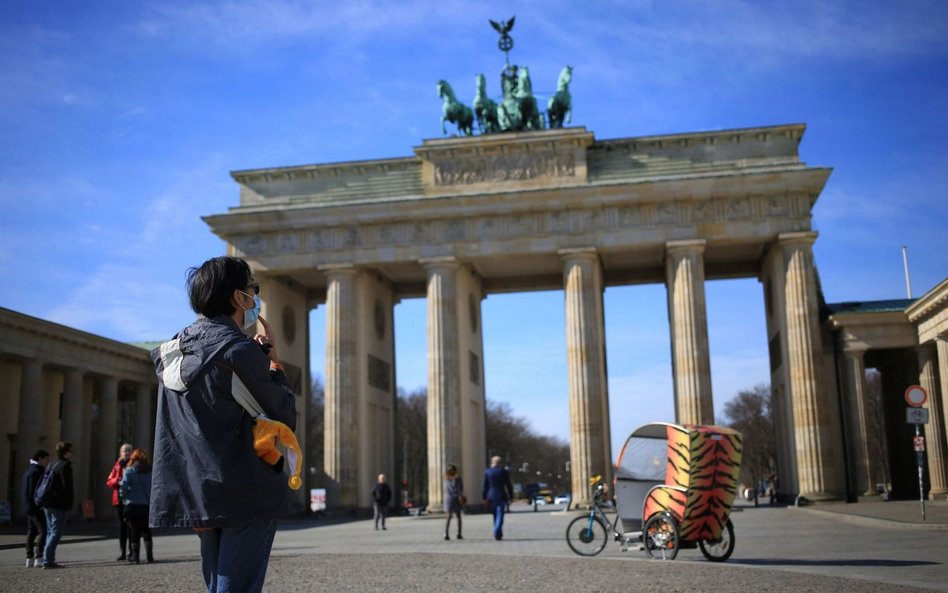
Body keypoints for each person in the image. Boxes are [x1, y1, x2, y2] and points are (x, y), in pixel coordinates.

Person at [150, 256, 300, 593]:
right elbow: (283, 414)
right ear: (238, 297)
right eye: (253, 290)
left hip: (198, 488)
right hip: (244, 487)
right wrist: (272, 361)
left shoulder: (172, 353)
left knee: (218, 584)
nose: (254, 297)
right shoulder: (238, 351)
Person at [41, 441, 74, 569]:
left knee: (50, 532)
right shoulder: (65, 466)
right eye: (70, 451)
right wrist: (69, 502)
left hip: (47, 503)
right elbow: (67, 487)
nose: (71, 453)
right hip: (59, 504)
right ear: (65, 453)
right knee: (56, 532)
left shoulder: (52, 464)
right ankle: (48, 560)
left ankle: (48, 559)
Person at [121, 448, 154, 564]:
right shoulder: (151, 472)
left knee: (134, 531)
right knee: (146, 531)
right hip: (146, 504)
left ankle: (136, 557)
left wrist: (124, 496)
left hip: (132, 505)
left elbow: (123, 488)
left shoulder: (129, 471)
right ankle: (150, 556)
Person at [21, 449, 49, 568]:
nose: (47, 462)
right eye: (46, 459)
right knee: (44, 530)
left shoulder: (29, 470)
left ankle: (29, 557)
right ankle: (39, 556)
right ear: (40, 458)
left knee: (31, 531)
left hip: (27, 505)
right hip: (36, 506)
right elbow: (37, 490)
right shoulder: (37, 471)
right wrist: (41, 504)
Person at [106, 443, 133, 561]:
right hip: (119, 500)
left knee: (131, 527)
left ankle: (132, 551)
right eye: (124, 451)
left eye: (128, 451)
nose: (126, 453)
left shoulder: (134, 465)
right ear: (120, 453)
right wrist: (118, 480)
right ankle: (122, 551)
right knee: (121, 527)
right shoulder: (117, 466)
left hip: (132, 500)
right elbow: (109, 481)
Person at [482, 456, 513, 541]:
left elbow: (485, 486)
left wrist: (484, 497)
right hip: (501, 495)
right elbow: (508, 485)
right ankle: (497, 531)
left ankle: (498, 533)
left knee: (495, 515)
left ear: (492, 462)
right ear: (500, 463)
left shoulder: (487, 472)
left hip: (491, 496)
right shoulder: (503, 472)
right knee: (500, 515)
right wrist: (511, 496)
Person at [443, 465, 464, 541]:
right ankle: (459, 533)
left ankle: (446, 532)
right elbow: (460, 488)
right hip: (456, 498)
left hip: (447, 498)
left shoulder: (445, 478)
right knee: (458, 516)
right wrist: (460, 496)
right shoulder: (457, 478)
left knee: (448, 516)